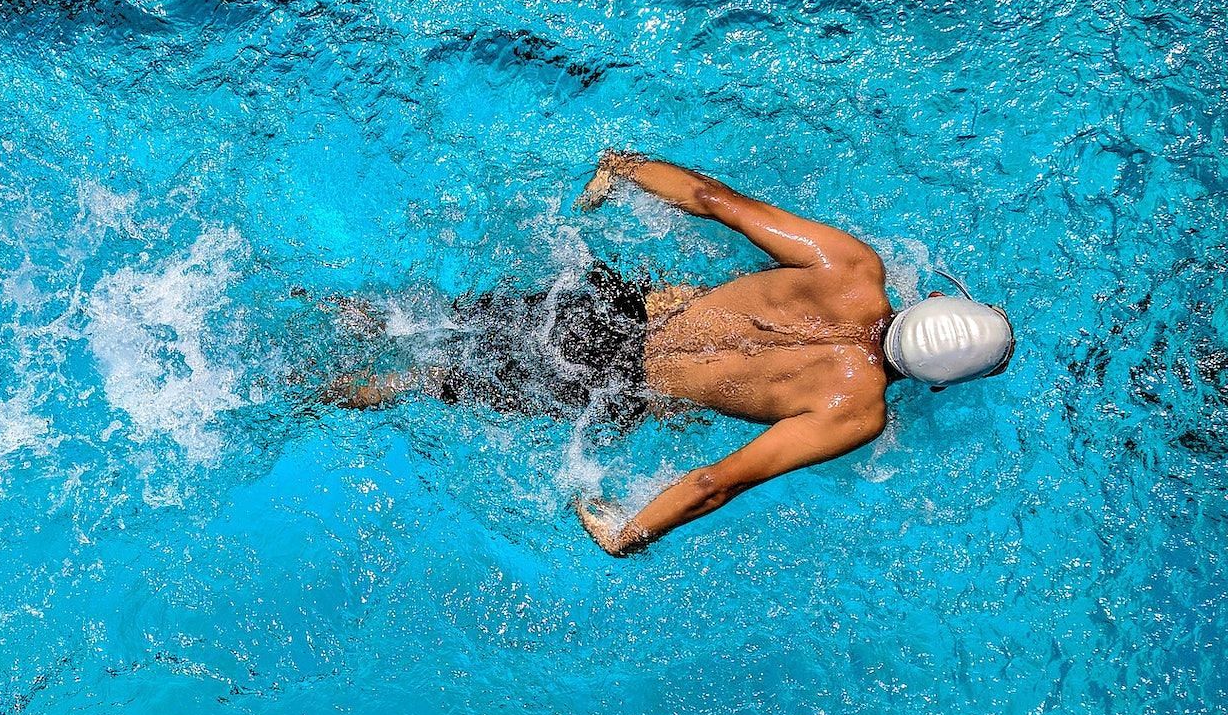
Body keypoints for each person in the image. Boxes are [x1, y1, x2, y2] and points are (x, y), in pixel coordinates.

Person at [322, 152, 1014, 555]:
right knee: (429, 381)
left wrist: (624, 168)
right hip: (611, 385)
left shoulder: (851, 267)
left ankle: (330, 310)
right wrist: (630, 532)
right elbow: (719, 481)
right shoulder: (855, 412)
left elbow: (716, 200)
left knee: (426, 319)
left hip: (606, 308)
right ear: (939, 383)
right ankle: (309, 392)